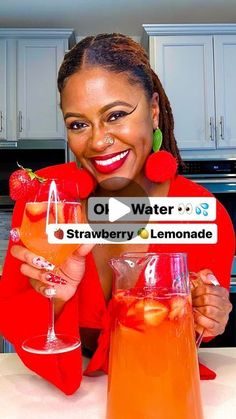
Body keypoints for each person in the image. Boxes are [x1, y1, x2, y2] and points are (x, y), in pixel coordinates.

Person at [0, 33, 234, 395]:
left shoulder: (204, 214)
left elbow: (185, 331)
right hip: (62, 391)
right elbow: (16, 316)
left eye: (116, 115)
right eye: (78, 123)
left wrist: (207, 313)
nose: (97, 141)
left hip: (156, 385)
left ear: (153, 110)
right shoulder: (45, 199)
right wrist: (57, 295)